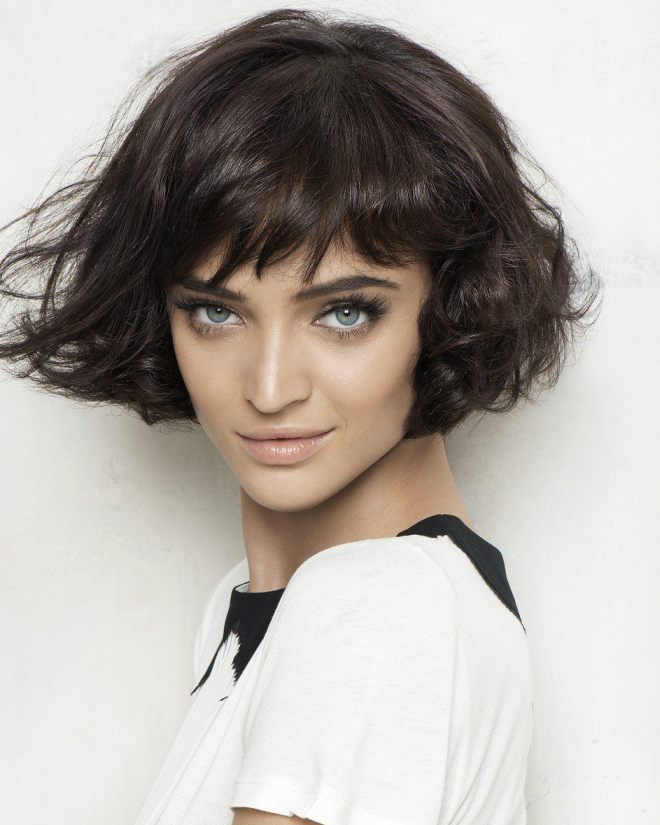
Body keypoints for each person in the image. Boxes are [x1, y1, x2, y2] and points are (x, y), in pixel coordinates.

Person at [0, 8, 601, 825]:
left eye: (345, 312)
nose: (270, 386)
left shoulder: (372, 604)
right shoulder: (258, 607)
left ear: (453, 306)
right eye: (216, 312)